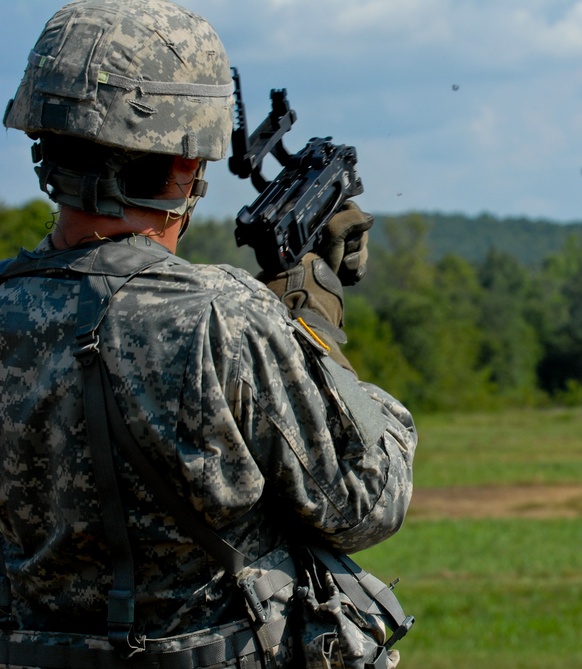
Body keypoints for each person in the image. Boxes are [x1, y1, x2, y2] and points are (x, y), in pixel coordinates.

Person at [0, 1, 416, 667]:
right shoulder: (223, 314)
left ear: (45, 143)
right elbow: (364, 497)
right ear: (186, 162)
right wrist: (314, 336)